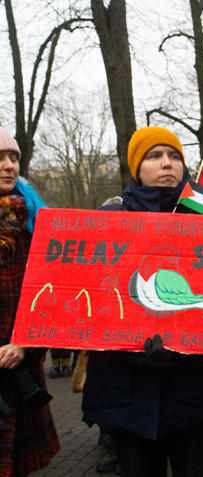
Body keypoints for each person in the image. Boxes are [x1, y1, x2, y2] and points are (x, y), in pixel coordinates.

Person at [81, 126, 203, 477]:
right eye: (155, 156)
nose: (167, 163)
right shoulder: (106, 223)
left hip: (198, 393)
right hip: (127, 392)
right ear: (136, 167)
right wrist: (128, 348)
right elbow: (92, 305)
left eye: (174, 156)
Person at [0, 125, 59, 476]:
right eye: (0, 158)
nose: (9, 166)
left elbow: (50, 298)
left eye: (13, 158)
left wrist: (26, 343)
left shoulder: (35, 228)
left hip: (20, 375)